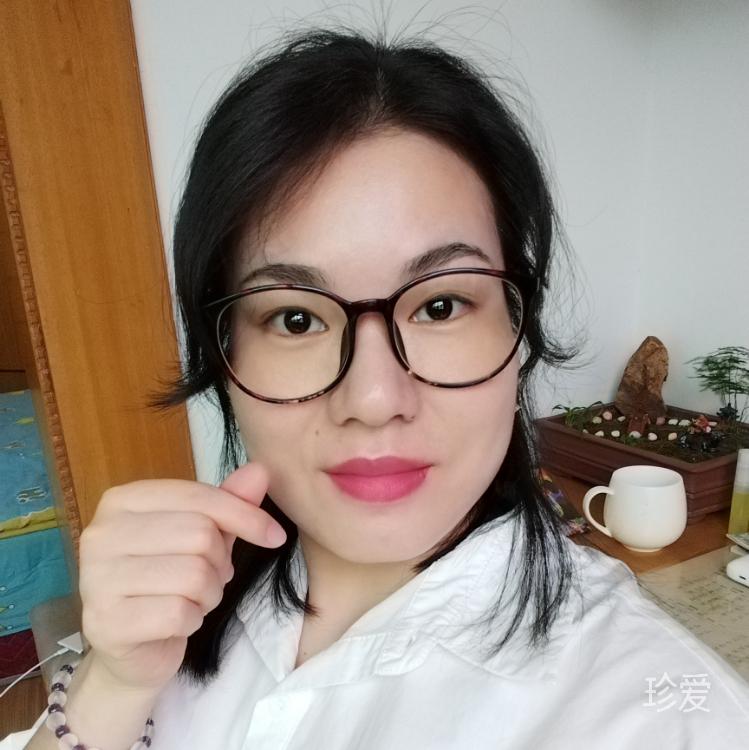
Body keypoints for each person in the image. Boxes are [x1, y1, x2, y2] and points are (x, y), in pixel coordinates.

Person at [4, 24, 748, 750]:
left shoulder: (668, 719)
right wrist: (111, 687)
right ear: (221, 353)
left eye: (440, 306)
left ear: (518, 330)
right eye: (295, 318)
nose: (373, 399)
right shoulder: (186, 613)